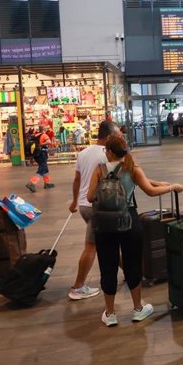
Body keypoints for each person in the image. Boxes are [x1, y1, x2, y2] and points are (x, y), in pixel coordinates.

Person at [86, 136, 183, 327]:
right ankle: (138, 309)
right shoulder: (132, 167)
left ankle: (110, 313)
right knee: (132, 264)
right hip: (129, 221)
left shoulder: (100, 169)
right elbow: (149, 190)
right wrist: (171, 187)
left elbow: (90, 197)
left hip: (104, 225)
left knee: (108, 266)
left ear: (109, 151)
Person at [68, 121, 122, 300]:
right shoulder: (107, 155)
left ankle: (133, 272)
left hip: (84, 206)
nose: (119, 138)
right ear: (108, 137)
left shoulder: (83, 153)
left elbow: (77, 180)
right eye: (117, 135)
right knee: (92, 246)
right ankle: (77, 287)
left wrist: (75, 201)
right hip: (98, 207)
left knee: (109, 240)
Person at [26, 125, 55, 192]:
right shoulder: (44, 135)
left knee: (45, 168)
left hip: (36, 155)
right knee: (42, 169)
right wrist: (41, 144)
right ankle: (32, 183)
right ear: (44, 129)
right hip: (42, 154)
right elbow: (49, 142)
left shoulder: (36, 135)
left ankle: (47, 183)